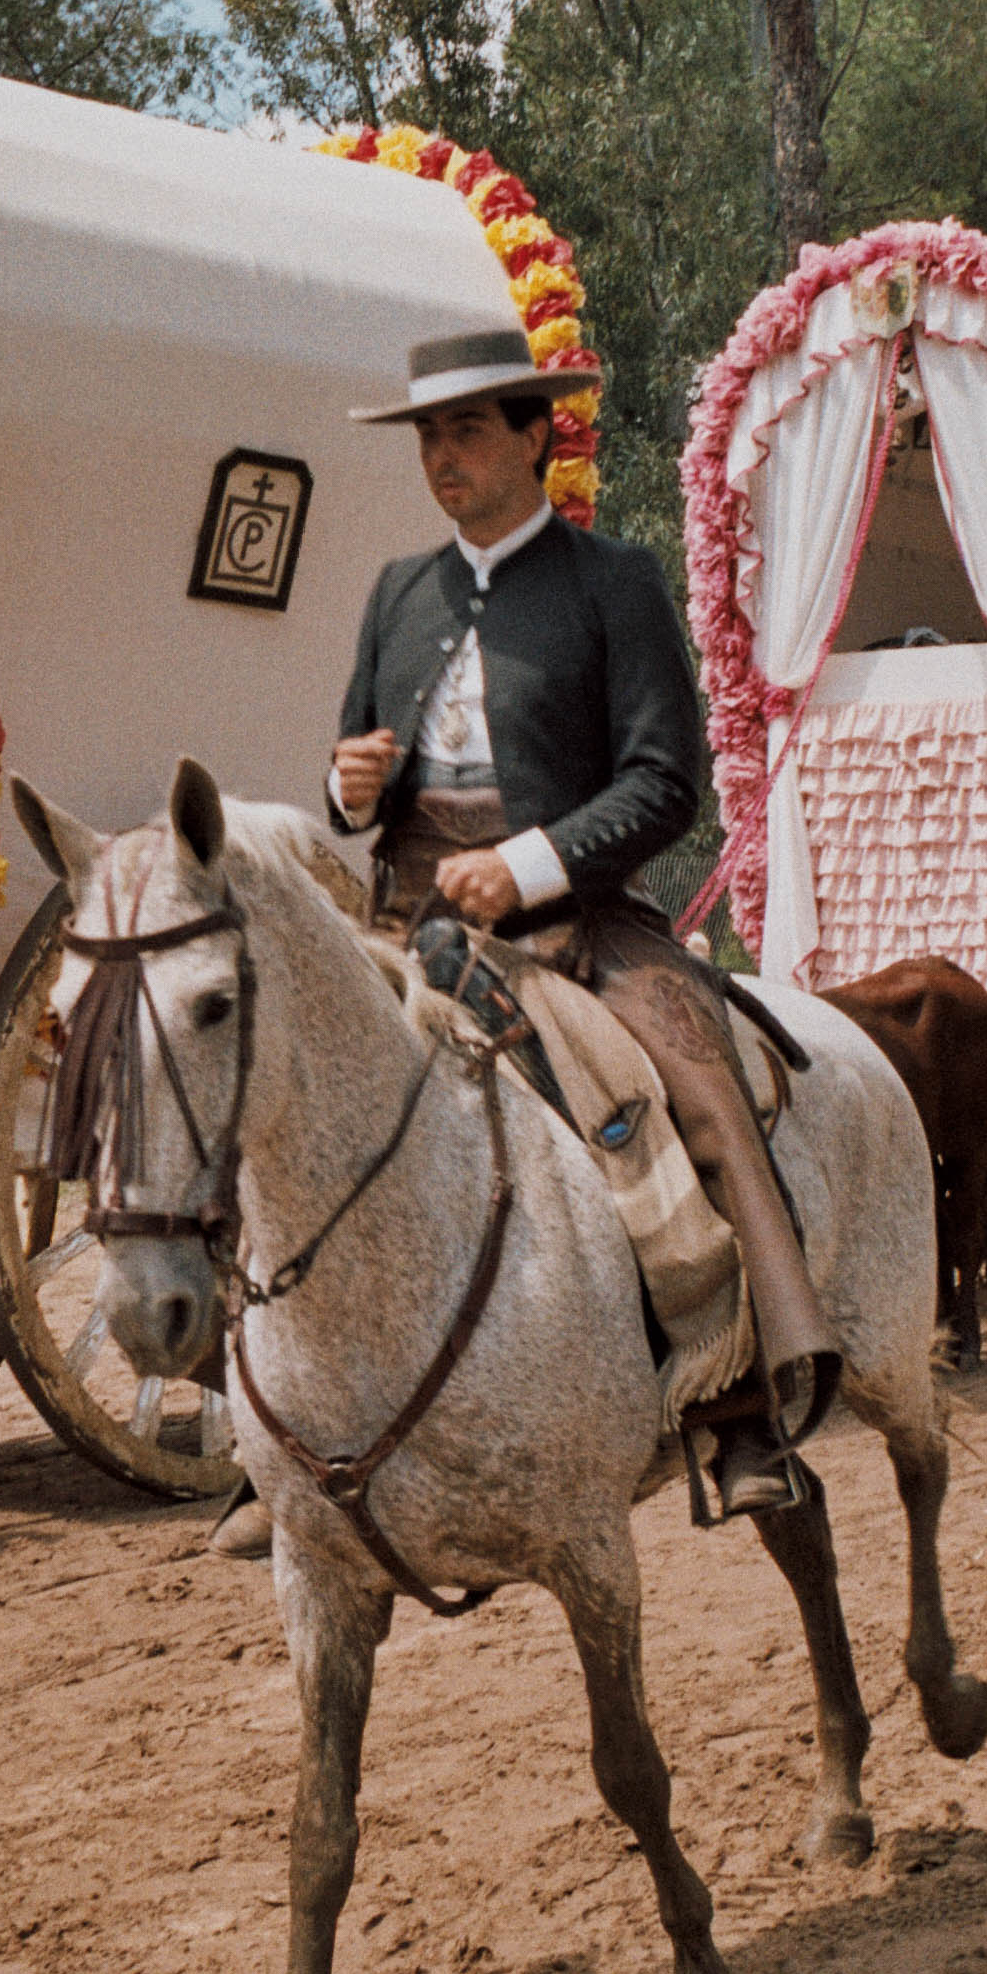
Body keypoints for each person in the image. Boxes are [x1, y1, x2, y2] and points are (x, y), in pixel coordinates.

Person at [283, 327, 836, 1546]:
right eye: (428, 434)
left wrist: (526, 863)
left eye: (468, 429)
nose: (442, 457)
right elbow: (352, 784)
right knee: (274, 1097)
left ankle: (733, 1399)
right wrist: (349, 790)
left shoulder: (613, 583)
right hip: (400, 922)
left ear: (537, 435)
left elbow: (664, 781)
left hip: (574, 924)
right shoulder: (396, 591)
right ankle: (280, 1427)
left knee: (687, 1079)